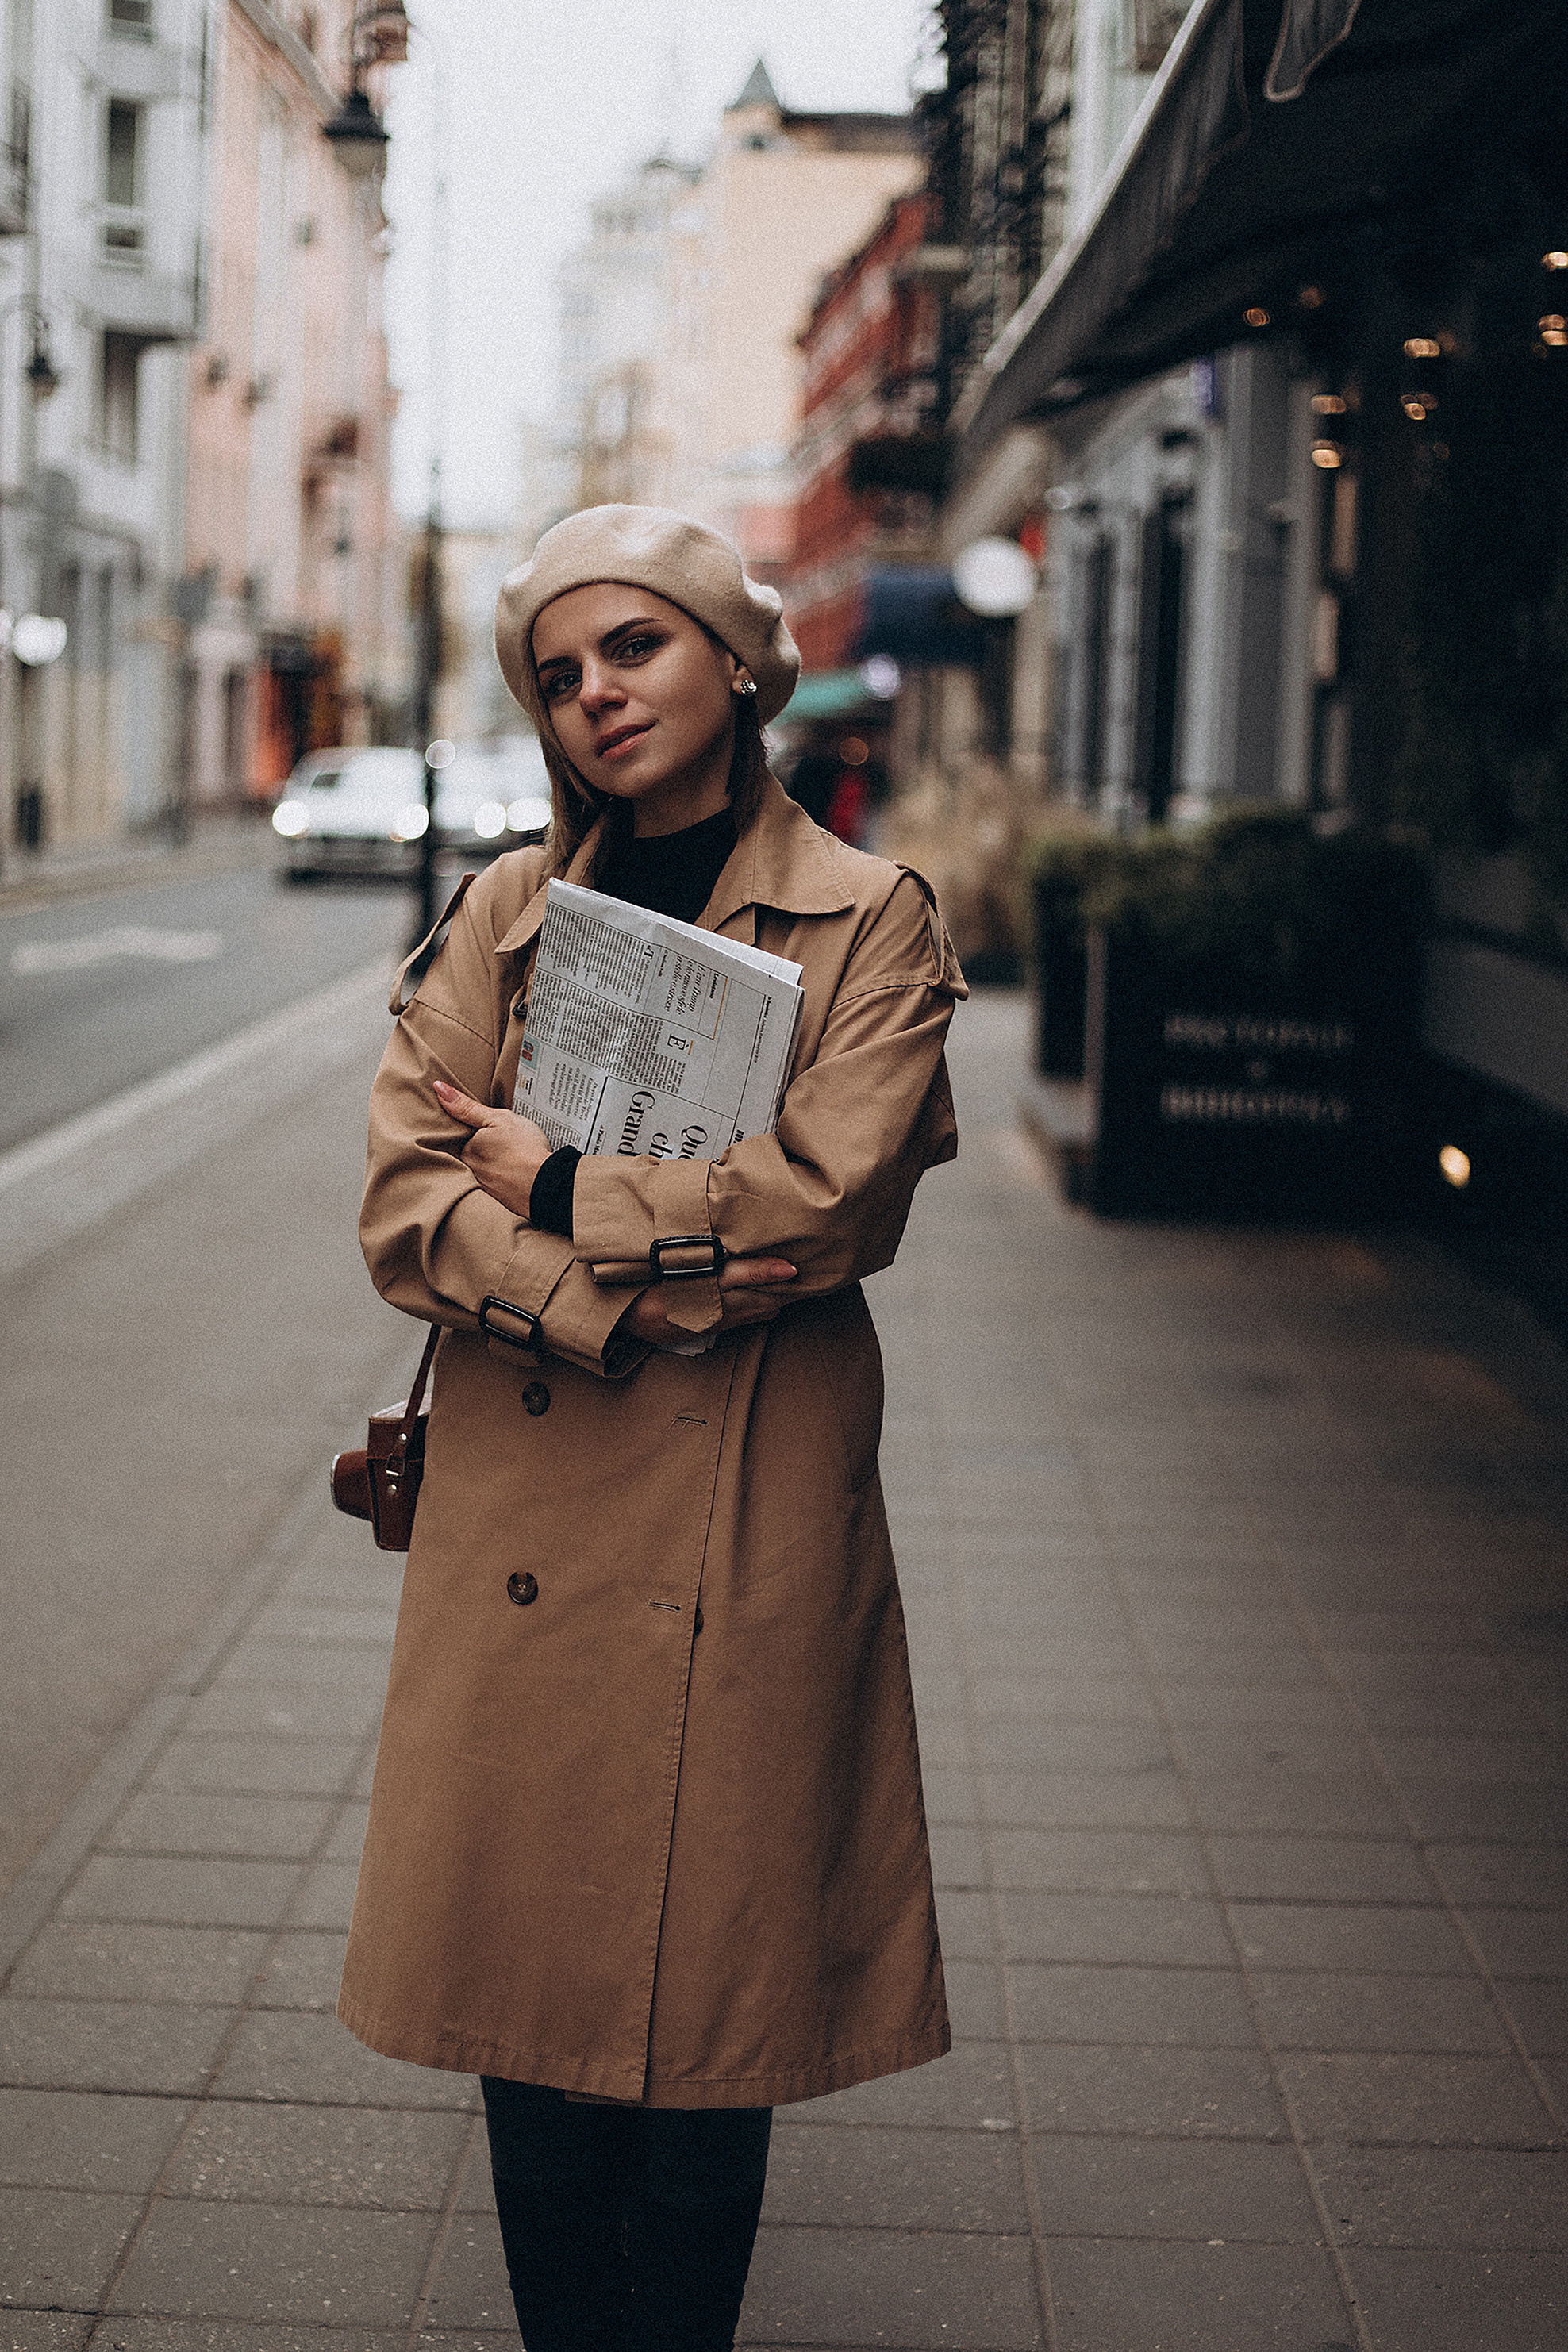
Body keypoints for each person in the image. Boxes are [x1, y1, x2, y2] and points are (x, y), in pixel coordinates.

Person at [339, 505, 967, 2351]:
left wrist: (558, 1195)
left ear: (738, 662)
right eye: (558, 675)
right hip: (529, 1511)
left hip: (751, 1505)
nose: (596, 695)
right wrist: (640, 1297)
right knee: (528, 2013)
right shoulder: (504, 914)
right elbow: (403, 1204)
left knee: (715, 2023)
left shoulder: (872, 917)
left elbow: (831, 1206)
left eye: (636, 646)